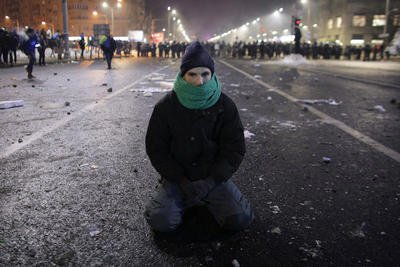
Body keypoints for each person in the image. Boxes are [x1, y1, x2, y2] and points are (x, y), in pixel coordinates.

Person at [144, 41, 253, 236]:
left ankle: (199, 199)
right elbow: (156, 148)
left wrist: (211, 181)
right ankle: (182, 199)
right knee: (162, 221)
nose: (199, 81)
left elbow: (234, 148)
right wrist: (179, 179)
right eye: (192, 74)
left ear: (212, 74)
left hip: (212, 178)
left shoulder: (225, 106)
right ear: (183, 75)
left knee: (240, 219)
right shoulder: (166, 107)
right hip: (178, 180)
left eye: (205, 74)